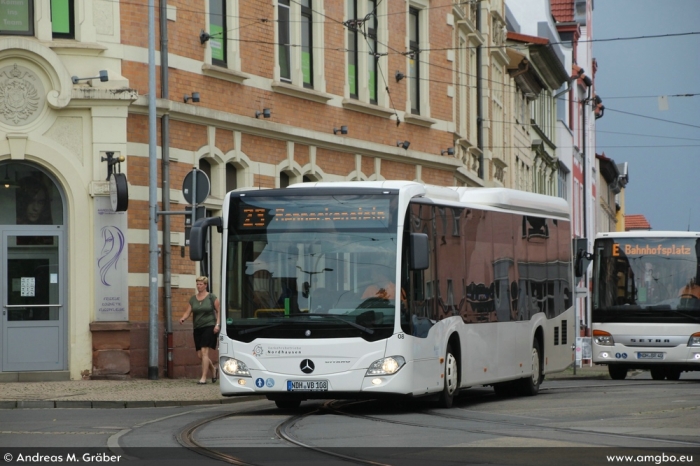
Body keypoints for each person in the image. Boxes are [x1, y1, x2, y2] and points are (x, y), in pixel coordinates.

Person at [179, 276, 221, 384]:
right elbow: (188, 311)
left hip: (209, 326)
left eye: (201, 284)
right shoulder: (193, 299)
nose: (199, 286)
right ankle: (213, 369)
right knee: (200, 356)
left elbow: (218, 311)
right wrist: (183, 318)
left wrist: (217, 324)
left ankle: (203, 378)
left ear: (205, 285)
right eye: (197, 284)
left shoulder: (212, 297)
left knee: (204, 352)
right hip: (197, 328)